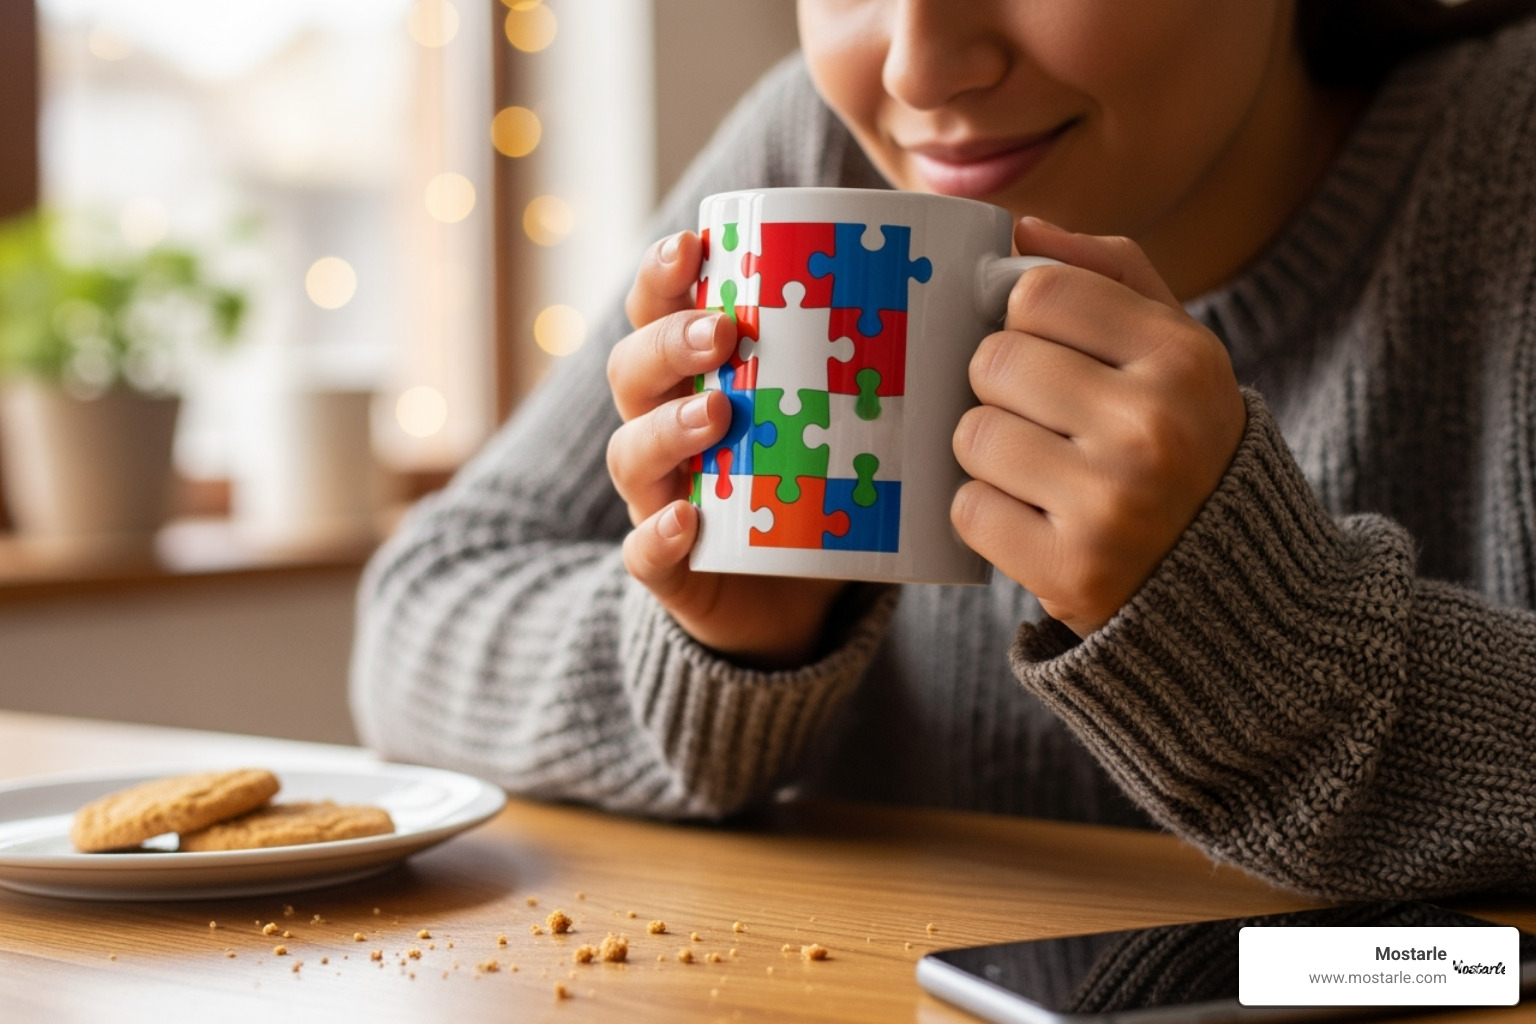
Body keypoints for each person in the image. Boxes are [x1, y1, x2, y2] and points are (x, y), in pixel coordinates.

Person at [351, 0, 1536, 901]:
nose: (918, 69)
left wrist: (1264, 641)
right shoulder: (821, 155)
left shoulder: (1505, 161)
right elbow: (419, 617)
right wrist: (716, 647)